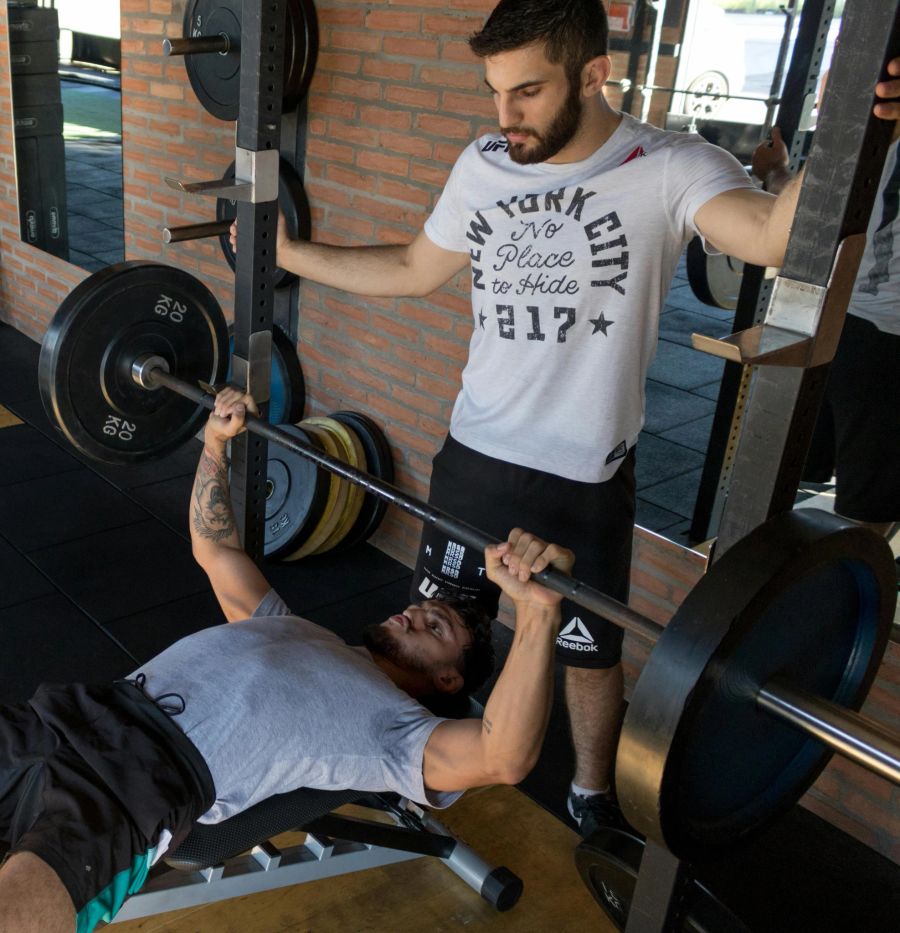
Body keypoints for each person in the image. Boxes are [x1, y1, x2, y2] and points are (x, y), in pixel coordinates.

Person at [231, 0, 900, 838]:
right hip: (473, 454)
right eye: (494, 91)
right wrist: (289, 255)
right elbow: (411, 267)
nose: (503, 116)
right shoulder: (483, 162)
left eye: (528, 93)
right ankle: (409, 760)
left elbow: (768, 234)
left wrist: (844, 134)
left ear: (594, 74)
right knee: (430, 627)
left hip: (583, 475)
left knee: (590, 653)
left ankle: (591, 792)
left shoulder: (665, 165)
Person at [0, 387, 576, 933]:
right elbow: (215, 548)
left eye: (434, 627)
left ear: (448, 678)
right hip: (72, 713)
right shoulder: (291, 624)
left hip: (136, 788)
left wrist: (538, 613)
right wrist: (216, 444)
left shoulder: (400, 734)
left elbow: (504, 757)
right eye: (419, 607)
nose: (411, 613)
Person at [752, 126, 900, 538]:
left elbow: (805, 220)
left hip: (875, 331)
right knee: (855, 485)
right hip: (855, 321)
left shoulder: (875, 134)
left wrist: (775, 172)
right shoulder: (874, 135)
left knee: (868, 502)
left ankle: (849, 589)